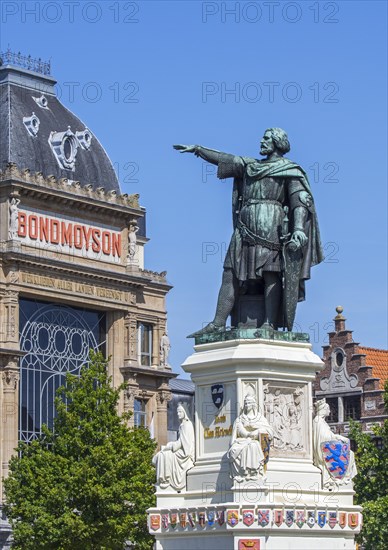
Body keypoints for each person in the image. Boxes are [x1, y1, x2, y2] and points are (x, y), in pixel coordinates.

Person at [174, 128, 323, 333]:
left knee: (271, 274)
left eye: (267, 139)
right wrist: (199, 150)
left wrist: (298, 229)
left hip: (273, 226)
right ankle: (218, 323)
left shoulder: (290, 170)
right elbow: (225, 159)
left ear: (278, 143)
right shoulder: (250, 166)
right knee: (230, 273)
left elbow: (300, 202)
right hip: (244, 230)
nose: (262, 141)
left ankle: (269, 324)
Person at [227, 394, 273, 482]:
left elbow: (270, 431)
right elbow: (234, 436)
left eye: (249, 403)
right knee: (235, 449)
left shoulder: (260, 418)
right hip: (241, 440)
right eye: (245, 403)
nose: (247, 405)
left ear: (253, 404)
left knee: (253, 445)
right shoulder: (239, 419)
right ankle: (243, 473)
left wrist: (258, 431)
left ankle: (253, 472)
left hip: (253, 441)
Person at [313, 399, 357, 489]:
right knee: (350, 454)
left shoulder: (321, 421)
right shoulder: (318, 421)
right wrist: (337, 438)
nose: (329, 411)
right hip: (323, 452)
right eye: (328, 409)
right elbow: (325, 438)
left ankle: (345, 478)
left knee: (350, 454)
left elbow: (328, 436)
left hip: (328, 449)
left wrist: (338, 437)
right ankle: (343, 478)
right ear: (323, 410)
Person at [152, 402, 195, 491]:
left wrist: (170, 446)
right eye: (177, 412)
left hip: (184, 454)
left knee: (163, 455)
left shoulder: (186, 425)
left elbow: (183, 444)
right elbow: (181, 441)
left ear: (185, 413)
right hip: (181, 450)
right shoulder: (183, 425)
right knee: (162, 454)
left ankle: (165, 480)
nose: (178, 414)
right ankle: (164, 481)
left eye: (180, 412)